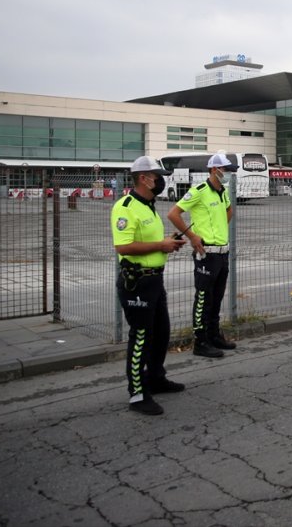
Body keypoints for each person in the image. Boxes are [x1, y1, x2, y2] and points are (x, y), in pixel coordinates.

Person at [111, 156, 187, 416]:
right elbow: (123, 246)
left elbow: (152, 243)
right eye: (157, 176)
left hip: (155, 279)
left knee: (161, 333)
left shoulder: (149, 205)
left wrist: (168, 243)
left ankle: (156, 378)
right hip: (137, 283)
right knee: (141, 337)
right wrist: (160, 245)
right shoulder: (126, 206)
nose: (161, 180)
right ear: (143, 178)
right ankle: (137, 393)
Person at [167, 152, 238, 359]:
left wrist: (217, 229)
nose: (227, 173)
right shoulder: (198, 191)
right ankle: (201, 341)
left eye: (228, 170)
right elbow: (173, 213)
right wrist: (192, 236)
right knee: (203, 299)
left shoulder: (222, 192)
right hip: (206, 254)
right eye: (224, 170)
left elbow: (229, 211)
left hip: (222, 253)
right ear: (213, 170)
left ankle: (214, 336)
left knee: (216, 298)